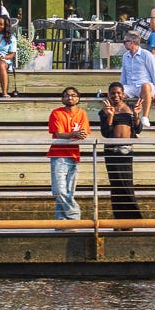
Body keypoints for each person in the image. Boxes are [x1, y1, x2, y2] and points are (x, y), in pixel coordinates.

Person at [98, 81, 143, 221]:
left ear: (123, 94)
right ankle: (120, 220)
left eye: (118, 93)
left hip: (127, 152)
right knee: (116, 185)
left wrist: (136, 115)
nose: (116, 95)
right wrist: (110, 116)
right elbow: (106, 133)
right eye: (113, 93)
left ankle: (133, 218)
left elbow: (138, 130)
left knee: (127, 184)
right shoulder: (104, 111)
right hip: (112, 152)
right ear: (108, 94)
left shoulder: (130, 108)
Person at [47, 87, 89, 221]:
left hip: (74, 155)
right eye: (66, 95)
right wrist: (74, 134)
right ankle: (74, 215)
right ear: (62, 99)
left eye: (73, 95)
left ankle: (62, 221)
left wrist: (77, 135)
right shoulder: (56, 113)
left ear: (78, 98)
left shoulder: (82, 113)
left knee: (69, 191)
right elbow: (59, 134)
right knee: (59, 190)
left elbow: (83, 133)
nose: (70, 98)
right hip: (58, 155)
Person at [119, 30, 155, 129]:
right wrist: (120, 88)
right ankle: (122, 118)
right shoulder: (125, 56)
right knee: (116, 92)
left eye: (125, 41)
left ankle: (145, 117)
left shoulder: (146, 55)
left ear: (131, 42)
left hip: (145, 86)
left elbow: (154, 73)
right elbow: (124, 75)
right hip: (130, 86)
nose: (124, 44)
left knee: (145, 86)